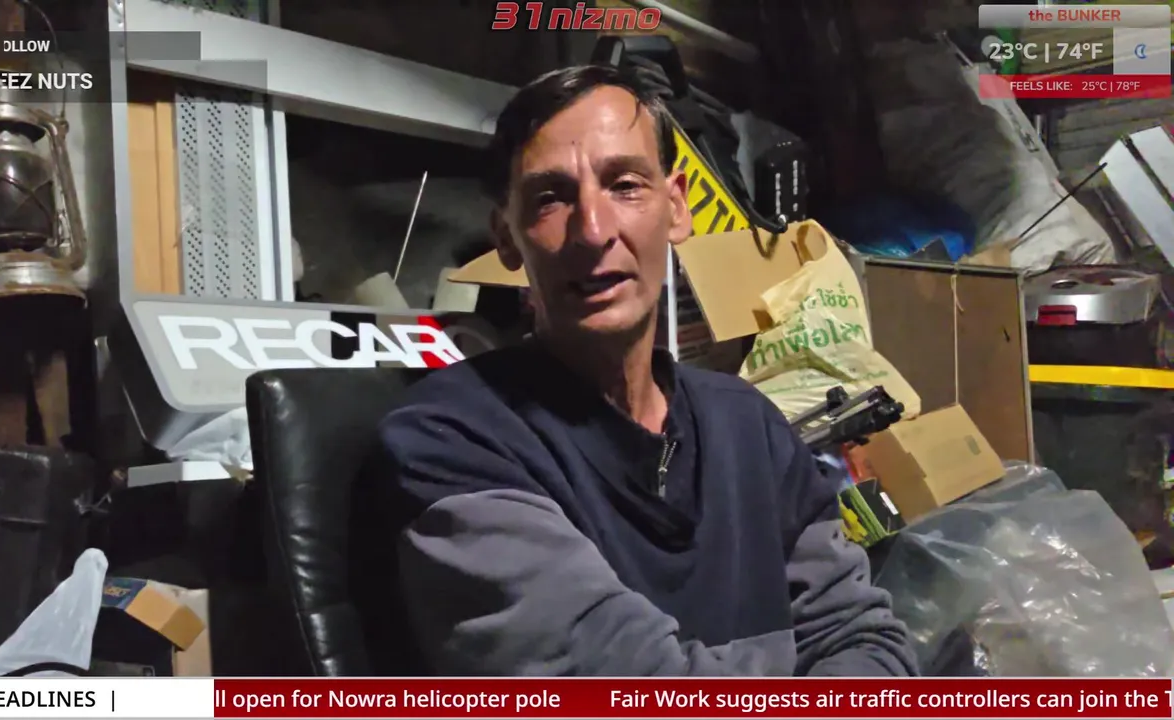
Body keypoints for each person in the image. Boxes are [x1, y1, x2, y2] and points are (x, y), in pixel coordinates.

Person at [351, 64, 917, 677]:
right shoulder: (448, 441)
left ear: (676, 207)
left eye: (624, 185)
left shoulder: (748, 424)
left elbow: (864, 640)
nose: (593, 231)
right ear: (507, 238)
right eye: (549, 198)